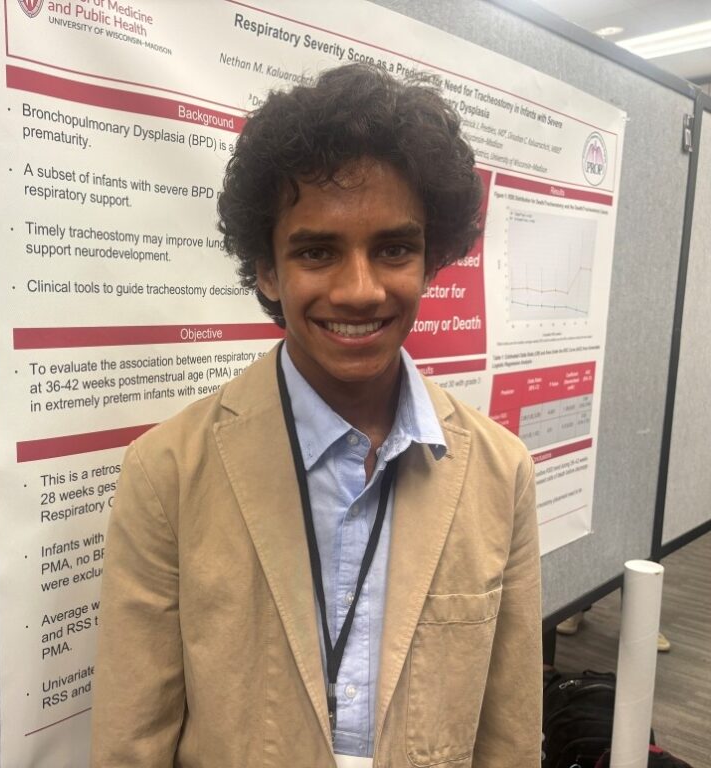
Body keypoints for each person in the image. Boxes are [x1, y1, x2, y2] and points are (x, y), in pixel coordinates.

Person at [91, 64, 541, 767]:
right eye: (316, 251)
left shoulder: (499, 471)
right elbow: (131, 741)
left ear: (431, 260)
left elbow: (510, 736)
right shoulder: (169, 474)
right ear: (267, 270)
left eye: (393, 248)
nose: (359, 290)